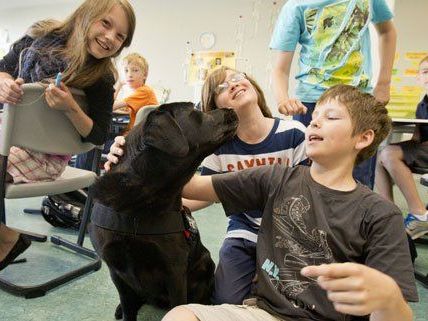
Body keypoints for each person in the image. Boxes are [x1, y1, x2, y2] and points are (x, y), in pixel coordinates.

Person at [162, 85, 418, 321]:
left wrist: (389, 297)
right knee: (181, 315)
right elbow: (192, 187)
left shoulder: (381, 214)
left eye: (330, 117)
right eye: (315, 116)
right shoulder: (275, 177)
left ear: (363, 138)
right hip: (265, 313)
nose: (315, 122)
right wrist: (133, 153)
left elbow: (398, 315)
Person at [105, 66, 308, 305]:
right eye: (222, 86)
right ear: (215, 106)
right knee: (224, 301)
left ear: (252, 84)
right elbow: (202, 195)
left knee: (297, 299)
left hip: (287, 233)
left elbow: (307, 200)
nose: (233, 84)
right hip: (243, 232)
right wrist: (129, 162)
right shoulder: (219, 149)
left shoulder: (294, 133)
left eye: (237, 77)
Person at [0, 0, 135, 272]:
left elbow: (96, 136)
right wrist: (3, 82)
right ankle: (6, 238)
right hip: (6, 142)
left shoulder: (101, 78)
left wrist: (70, 107)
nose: (110, 38)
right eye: (105, 23)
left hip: (45, 157)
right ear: (86, 16)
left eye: (121, 36)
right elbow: (4, 67)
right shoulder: (38, 38)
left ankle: (7, 240)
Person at [270, 0, 397, 189]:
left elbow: (387, 31)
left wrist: (384, 83)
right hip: (312, 104)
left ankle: (356, 219)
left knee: (358, 177)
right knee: (306, 177)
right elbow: (279, 69)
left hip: (357, 102)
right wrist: (283, 99)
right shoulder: (296, 6)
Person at [376, 55, 428, 240]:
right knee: (381, 155)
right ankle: (388, 214)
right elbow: (418, 137)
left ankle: (419, 213)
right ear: (419, 78)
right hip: (423, 149)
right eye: (425, 72)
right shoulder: (422, 104)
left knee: (389, 154)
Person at [113, 52, 158, 130]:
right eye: (126, 70)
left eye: (135, 70)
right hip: (136, 134)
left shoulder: (144, 92)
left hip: (137, 137)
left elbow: (109, 107)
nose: (129, 74)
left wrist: (119, 84)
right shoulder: (139, 93)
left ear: (145, 75)